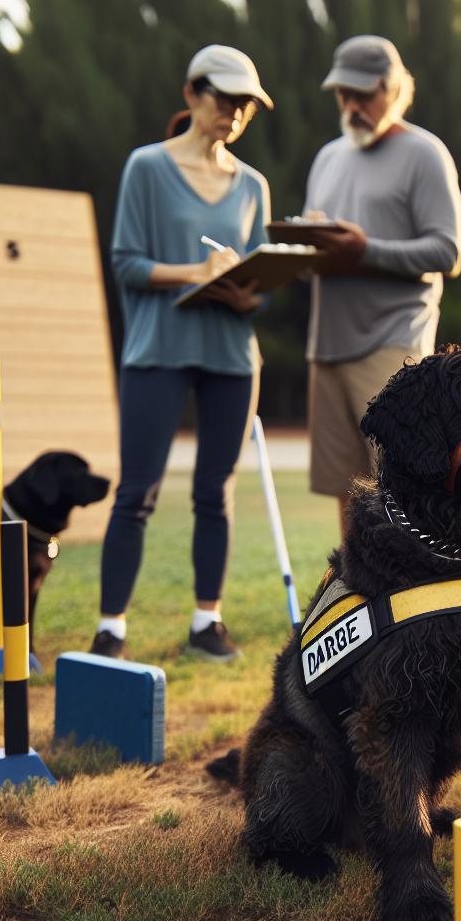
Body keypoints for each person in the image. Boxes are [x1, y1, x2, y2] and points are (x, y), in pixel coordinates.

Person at [89, 45, 274, 664]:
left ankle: (206, 622)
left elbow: (260, 278)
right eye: (227, 100)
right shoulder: (145, 167)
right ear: (193, 93)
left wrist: (250, 288)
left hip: (230, 353)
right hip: (158, 349)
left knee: (214, 493)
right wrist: (197, 271)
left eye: (246, 104)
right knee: (137, 491)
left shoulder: (253, 185)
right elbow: (126, 265)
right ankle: (111, 627)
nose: (236, 114)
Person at [298, 35, 461, 535]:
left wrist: (364, 248)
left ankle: (413, 602)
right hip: (326, 343)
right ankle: (361, 596)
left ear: (393, 89)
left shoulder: (424, 153)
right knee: (348, 492)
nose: (350, 106)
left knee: (402, 485)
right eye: (341, 95)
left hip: (391, 344)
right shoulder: (328, 157)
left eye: (361, 94)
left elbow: (448, 252)